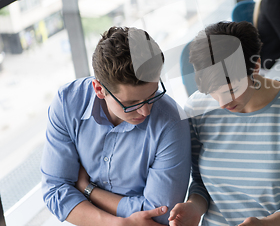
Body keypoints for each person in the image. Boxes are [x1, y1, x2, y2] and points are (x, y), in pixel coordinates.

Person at [168, 21, 280, 226]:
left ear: (255, 66)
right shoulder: (197, 108)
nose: (222, 103)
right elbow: (200, 183)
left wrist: (268, 224)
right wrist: (194, 207)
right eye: (213, 91)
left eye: (231, 89)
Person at [41, 27, 191, 225]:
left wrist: (87, 190)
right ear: (99, 89)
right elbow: (55, 190)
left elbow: (160, 214)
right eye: (132, 104)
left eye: (152, 95)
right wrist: (118, 223)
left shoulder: (171, 123)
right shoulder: (68, 103)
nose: (146, 111)